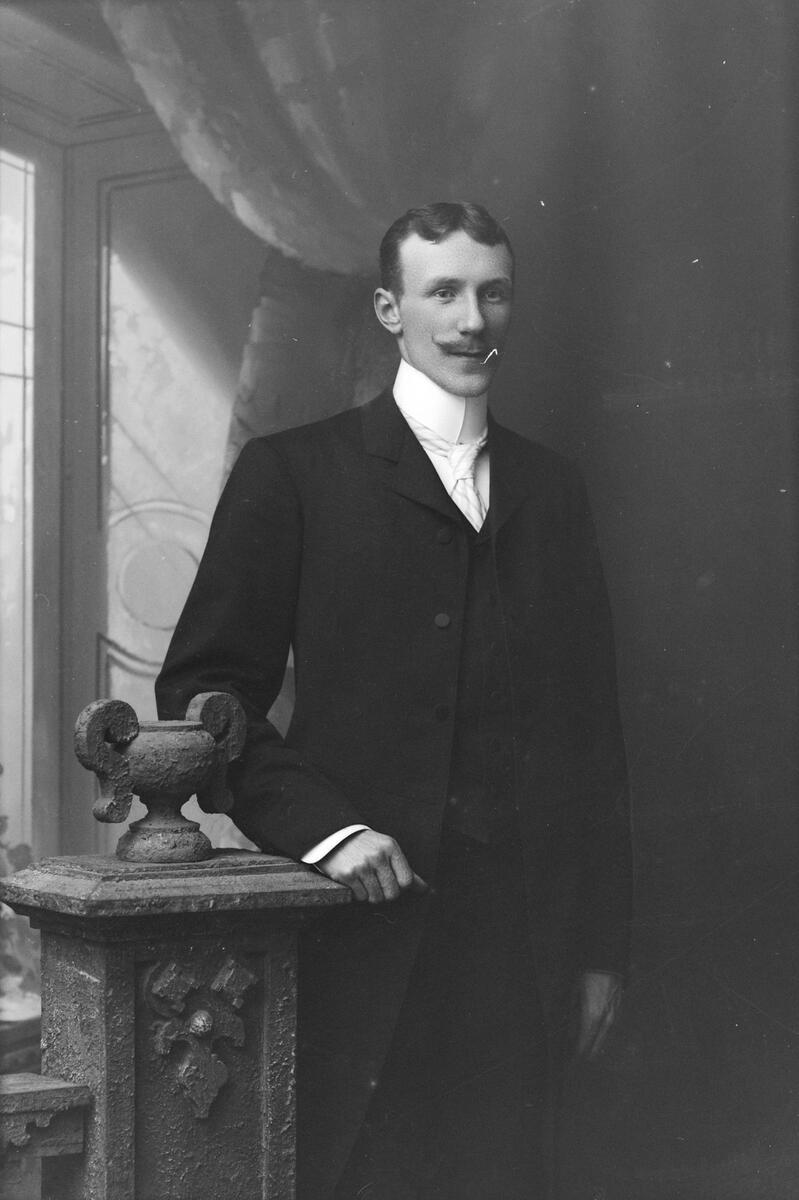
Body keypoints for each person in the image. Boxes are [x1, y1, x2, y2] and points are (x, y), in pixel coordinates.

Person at [156, 201, 632, 1199]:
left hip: (522, 950)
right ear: (388, 310)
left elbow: (591, 735)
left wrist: (598, 949)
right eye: (443, 292)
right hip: (355, 934)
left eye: (493, 293)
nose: (471, 321)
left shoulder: (551, 489)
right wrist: (325, 832)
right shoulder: (293, 472)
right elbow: (205, 691)